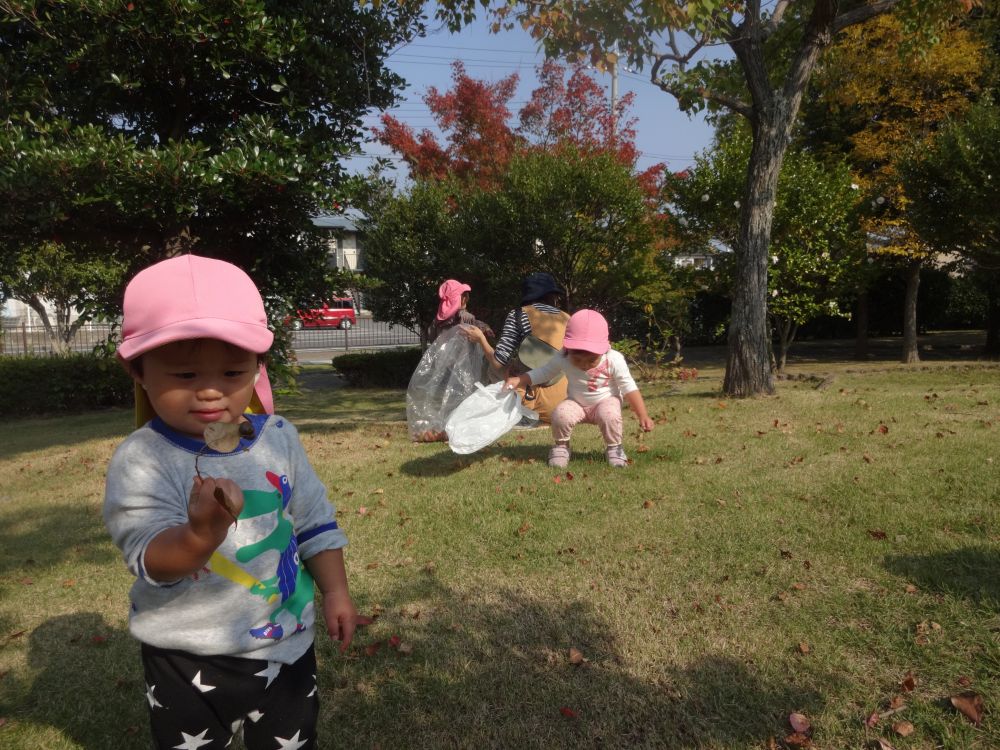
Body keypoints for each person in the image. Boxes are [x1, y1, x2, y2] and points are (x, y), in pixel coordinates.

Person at [103, 254, 360, 750]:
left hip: (284, 644)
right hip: (187, 656)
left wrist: (336, 593)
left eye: (232, 370)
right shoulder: (143, 460)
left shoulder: (279, 439)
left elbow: (313, 522)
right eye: (182, 375)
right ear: (139, 371)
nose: (210, 392)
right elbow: (151, 559)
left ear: (258, 366)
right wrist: (200, 535)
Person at [504, 309, 655, 468]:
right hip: (577, 403)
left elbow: (628, 387)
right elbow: (544, 372)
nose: (584, 364)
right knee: (560, 414)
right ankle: (561, 446)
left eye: (591, 360)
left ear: (603, 349)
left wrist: (642, 415)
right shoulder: (563, 358)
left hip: (605, 401)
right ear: (568, 349)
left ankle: (614, 448)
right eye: (578, 359)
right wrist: (520, 379)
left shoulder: (613, 359)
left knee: (609, 415)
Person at [460, 271, 570, 423]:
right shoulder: (568, 318)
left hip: (539, 407)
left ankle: (517, 410)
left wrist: (481, 340)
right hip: (570, 403)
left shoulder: (520, 315)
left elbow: (499, 361)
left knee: (495, 367)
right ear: (552, 296)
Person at [407, 279, 493, 442]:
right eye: (465, 296)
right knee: (461, 398)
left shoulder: (439, 320)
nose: (467, 299)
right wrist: (485, 328)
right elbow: (474, 332)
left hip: (443, 365)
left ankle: (442, 428)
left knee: (445, 398)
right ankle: (455, 430)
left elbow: (434, 339)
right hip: (463, 365)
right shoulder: (465, 317)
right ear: (462, 299)